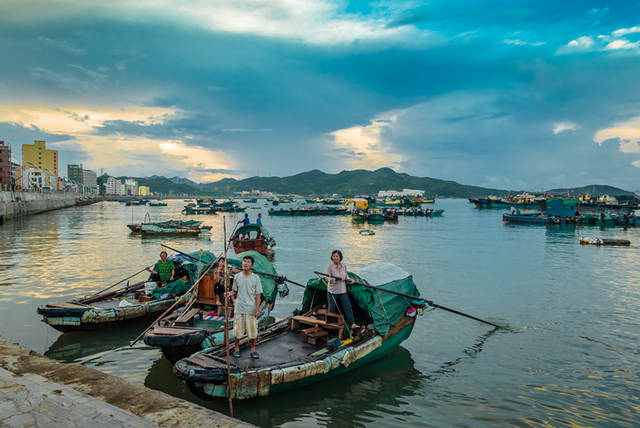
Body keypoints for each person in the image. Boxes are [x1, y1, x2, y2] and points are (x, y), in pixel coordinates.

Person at [226, 255, 262, 359]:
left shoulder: (256, 278)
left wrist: (257, 309)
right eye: (244, 261)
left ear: (252, 265)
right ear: (242, 264)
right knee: (238, 330)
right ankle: (237, 349)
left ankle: (253, 350)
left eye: (248, 262)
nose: (245, 263)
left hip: (251, 307)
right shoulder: (237, 277)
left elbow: (258, 295)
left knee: (252, 330)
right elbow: (234, 291)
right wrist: (228, 294)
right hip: (239, 307)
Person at [325, 249, 359, 332]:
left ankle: (353, 323)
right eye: (333, 256)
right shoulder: (330, 266)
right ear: (332, 257)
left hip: (342, 290)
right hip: (332, 291)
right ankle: (330, 326)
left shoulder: (343, 265)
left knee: (348, 306)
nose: (335, 258)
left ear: (340, 257)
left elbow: (345, 276)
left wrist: (350, 280)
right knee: (332, 309)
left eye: (337, 256)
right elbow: (327, 278)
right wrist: (336, 279)